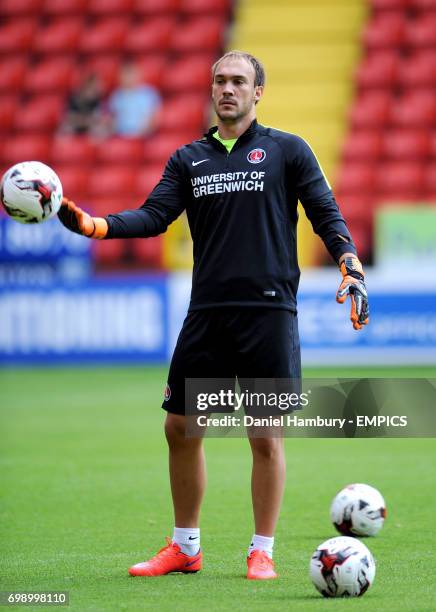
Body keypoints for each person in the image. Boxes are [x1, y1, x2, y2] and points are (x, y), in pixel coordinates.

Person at [57, 51, 369, 580]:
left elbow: (325, 210)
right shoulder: (188, 159)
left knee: (264, 436)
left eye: (239, 81)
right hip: (207, 313)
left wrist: (350, 262)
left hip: (268, 312)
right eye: (220, 80)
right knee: (180, 428)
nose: (228, 89)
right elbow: (155, 215)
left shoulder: (288, 150)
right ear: (211, 89)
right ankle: (185, 546)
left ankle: (262, 549)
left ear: (257, 92)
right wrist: (97, 227)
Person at [106, 62, 161, 137]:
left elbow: (155, 118)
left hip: (144, 137)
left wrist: (141, 133)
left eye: (131, 74)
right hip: (120, 136)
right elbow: (112, 118)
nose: (128, 78)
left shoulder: (149, 93)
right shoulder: (116, 95)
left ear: (138, 75)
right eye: (125, 75)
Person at [60, 72, 105, 136]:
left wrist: (84, 120)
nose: (97, 89)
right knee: (65, 128)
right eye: (92, 87)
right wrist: (84, 120)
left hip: (90, 129)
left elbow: (97, 119)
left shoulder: (98, 100)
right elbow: (69, 118)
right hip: (75, 127)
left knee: (100, 130)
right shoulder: (73, 99)